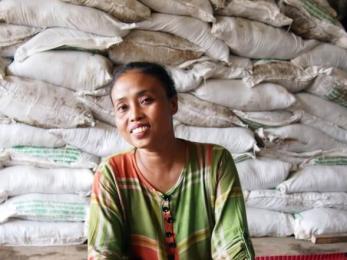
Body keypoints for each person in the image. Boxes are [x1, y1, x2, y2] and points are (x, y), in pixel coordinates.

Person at [87, 62, 255, 260]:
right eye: (122, 107)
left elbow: (233, 245)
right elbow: (103, 253)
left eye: (146, 100)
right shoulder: (111, 174)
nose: (134, 115)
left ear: (173, 104)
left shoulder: (215, 162)